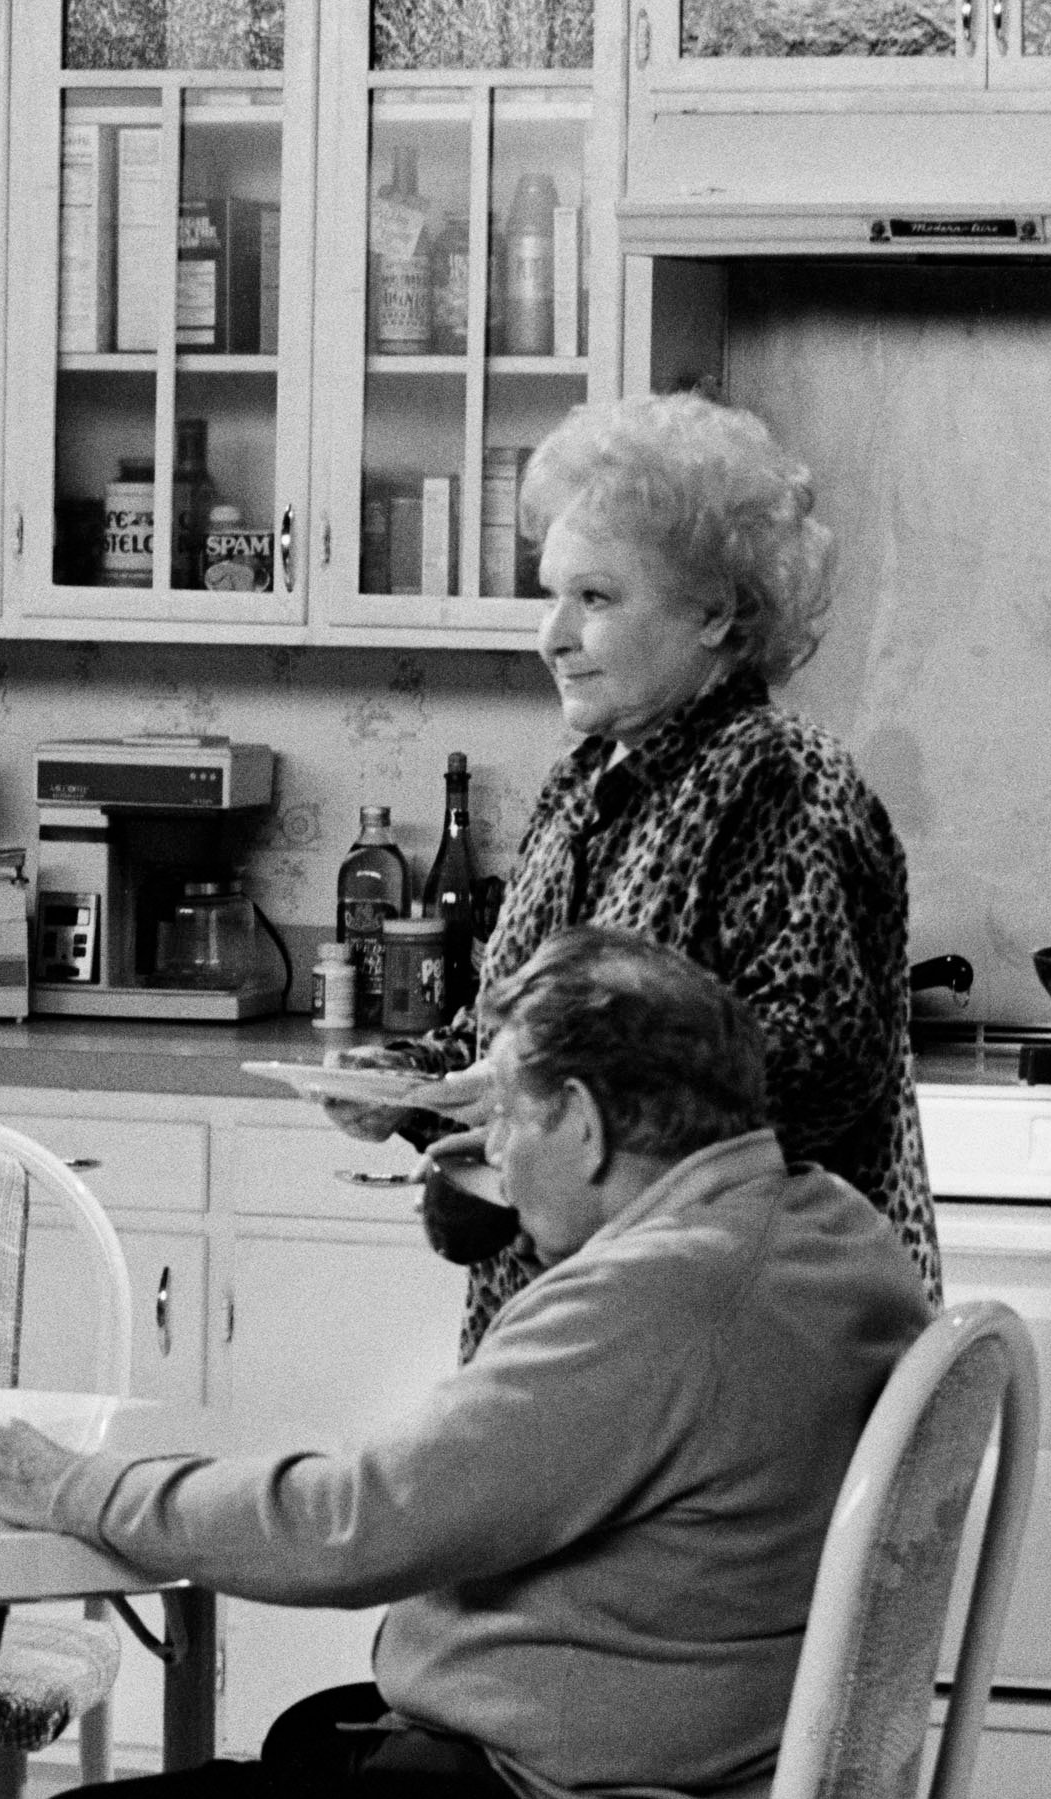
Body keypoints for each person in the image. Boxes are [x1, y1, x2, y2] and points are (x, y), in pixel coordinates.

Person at [0, 927, 931, 1799]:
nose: (488, 1148)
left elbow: (351, 1527)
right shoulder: (828, 1228)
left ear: (584, 1123)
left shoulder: (653, 1301)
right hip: (742, 1792)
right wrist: (539, 1187)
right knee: (313, 1741)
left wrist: (72, 1485)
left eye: (503, 1113)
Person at [344, 391, 937, 1357]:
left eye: (599, 598)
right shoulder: (584, 780)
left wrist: (550, 1102)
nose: (554, 634)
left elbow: (815, 1074)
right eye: (552, 594)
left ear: (718, 613)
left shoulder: (781, 782)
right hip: (579, 1336)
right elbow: (515, 1025)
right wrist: (407, 1083)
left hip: (727, 1344)